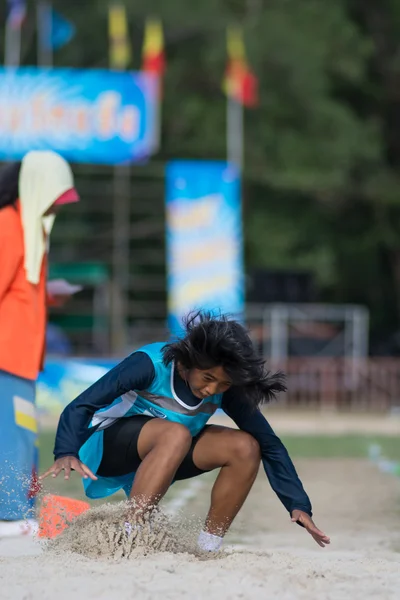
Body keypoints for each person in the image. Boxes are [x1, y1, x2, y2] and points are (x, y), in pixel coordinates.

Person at [41, 312, 330, 552]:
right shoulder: (150, 364)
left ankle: (208, 548)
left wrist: (298, 504)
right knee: (176, 433)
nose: (211, 390)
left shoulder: (223, 387)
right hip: (107, 449)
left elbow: (270, 444)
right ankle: (130, 535)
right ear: (189, 361)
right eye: (208, 379)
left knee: (245, 446)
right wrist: (65, 450)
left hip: (165, 455)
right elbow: (83, 403)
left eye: (223, 385)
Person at [0, 151, 79, 537]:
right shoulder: (8, 226)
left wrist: (48, 296)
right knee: (12, 435)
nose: (55, 207)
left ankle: (21, 510)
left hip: (22, 358)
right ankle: (8, 516)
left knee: (23, 436)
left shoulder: (31, 230)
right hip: (5, 356)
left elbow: (18, 291)